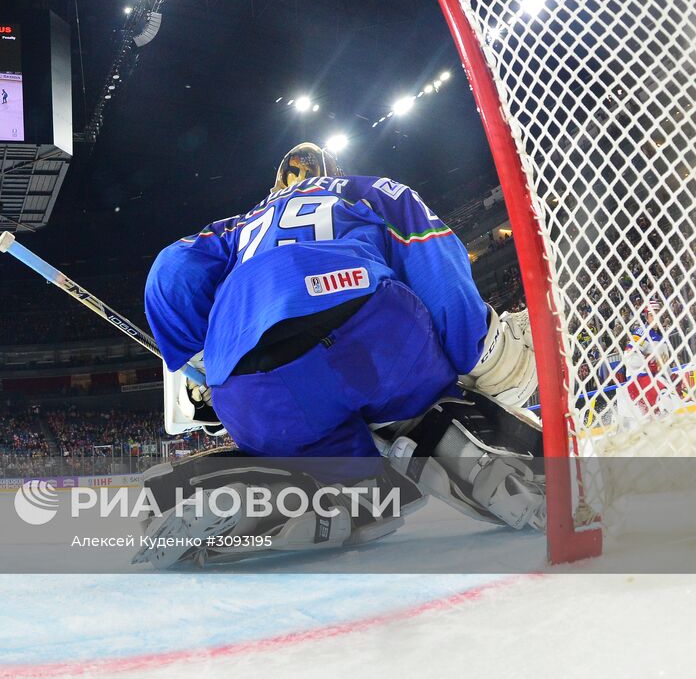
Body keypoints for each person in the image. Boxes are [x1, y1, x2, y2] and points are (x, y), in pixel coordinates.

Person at [138, 142, 545, 565]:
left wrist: (199, 361)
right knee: (421, 408)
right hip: (365, 329)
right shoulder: (370, 191)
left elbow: (168, 272)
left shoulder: (234, 230)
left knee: (359, 497)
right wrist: (483, 353)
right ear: (333, 170)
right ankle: (466, 447)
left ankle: (250, 497)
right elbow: (441, 282)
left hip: (249, 383)